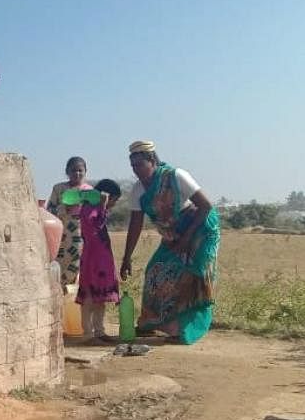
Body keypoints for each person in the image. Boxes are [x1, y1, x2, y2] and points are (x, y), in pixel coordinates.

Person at [120, 141, 221, 345]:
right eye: (133, 166)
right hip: (172, 235)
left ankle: (185, 329)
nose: (136, 170)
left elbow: (206, 206)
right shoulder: (138, 191)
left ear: (153, 161)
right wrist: (127, 257)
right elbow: (135, 226)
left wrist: (186, 239)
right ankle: (155, 323)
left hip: (200, 228)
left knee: (193, 278)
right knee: (155, 272)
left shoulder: (176, 176)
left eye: (140, 164)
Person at [76, 179, 123, 344]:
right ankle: (88, 334)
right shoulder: (89, 209)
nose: (114, 204)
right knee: (89, 297)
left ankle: (99, 330)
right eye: (114, 200)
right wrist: (102, 206)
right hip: (93, 260)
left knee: (100, 298)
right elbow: (94, 226)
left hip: (101, 259)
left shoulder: (97, 208)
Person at [46, 157, 93, 290]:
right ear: (67, 172)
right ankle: (57, 293)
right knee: (58, 264)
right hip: (60, 235)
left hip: (79, 236)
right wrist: (64, 208)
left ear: (85, 172)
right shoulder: (58, 188)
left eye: (80, 170)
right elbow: (49, 210)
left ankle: (71, 295)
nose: (77, 173)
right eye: (73, 170)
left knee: (76, 265)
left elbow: (94, 215)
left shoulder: (89, 191)